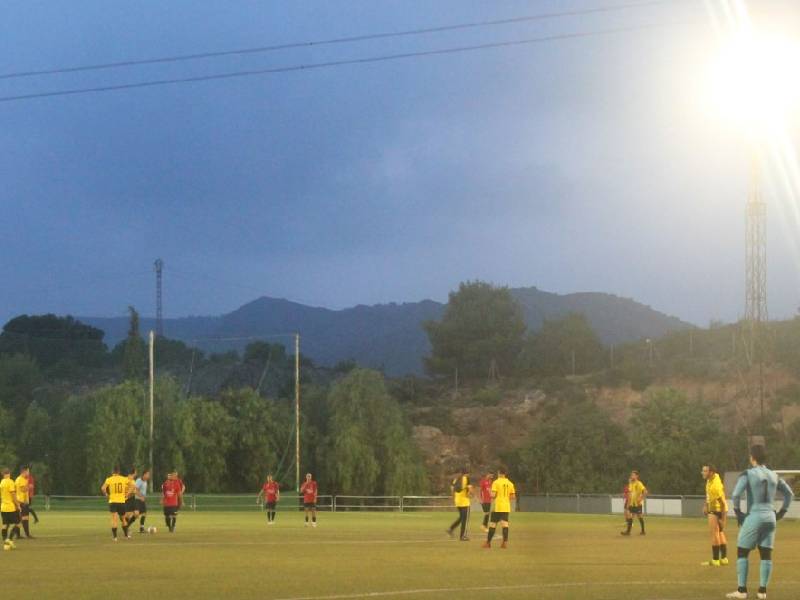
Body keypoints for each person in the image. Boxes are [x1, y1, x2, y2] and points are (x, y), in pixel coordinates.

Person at [726, 445, 794, 600]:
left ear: (752, 457)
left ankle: (742, 590)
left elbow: (736, 494)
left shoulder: (748, 473)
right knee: (766, 554)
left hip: (755, 514)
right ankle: (762, 591)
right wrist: (782, 512)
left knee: (742, 551)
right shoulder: (774, 475)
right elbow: (789, 494)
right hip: (770, 516)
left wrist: (738, 512)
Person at [701, 464, 729, 567]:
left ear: (711, 472)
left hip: (717, 510)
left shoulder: (715, 486)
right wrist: (705, 505)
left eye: (705, 471)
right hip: (716, 508)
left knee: (714, 534)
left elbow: (722, 503)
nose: (703, 473)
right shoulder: (712, 478)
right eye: (703, 470)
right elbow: (709, 496)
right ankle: (724, 559)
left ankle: (715, 560)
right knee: (720, 533)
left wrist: (723, 519)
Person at [482, 467, 516, 549]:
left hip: (498, 506)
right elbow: (513, 496)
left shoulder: (496, 482)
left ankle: (488, 543)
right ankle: (504, 543)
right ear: (505, 473)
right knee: (505, 524)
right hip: (506, 507)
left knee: (492, 524)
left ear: (499, 473)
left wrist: (490, 492)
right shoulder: (510, 483)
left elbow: (493, 496)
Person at [101, 465, 131, 541]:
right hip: (121, 501)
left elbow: (103, 488)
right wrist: (128, 494)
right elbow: (132, 486)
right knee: (123, 519)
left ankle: (115, 537)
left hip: (113, 501)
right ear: (119, 471)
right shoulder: (124, 479)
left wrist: (107, 495)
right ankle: (126, 535)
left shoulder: (109, 479)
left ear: (112, 471)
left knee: (114, 519)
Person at [446, 467, 472, 541]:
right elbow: (470, 490)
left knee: (461, 518)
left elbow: (452, 489)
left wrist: (453, 498)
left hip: (457, 502)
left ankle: (451, 529)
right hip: (465, 502)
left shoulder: (456, 479)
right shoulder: (466, 478)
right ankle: (463, 536)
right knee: (465, 519)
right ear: (466, 473)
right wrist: (470, 494)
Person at [621, 470, 647, 536]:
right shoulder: (631, 484)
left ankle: (643, 531)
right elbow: (630, 494)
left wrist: (641, 499)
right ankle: (628, 532)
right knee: (629, 516)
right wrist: (628, 503)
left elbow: (645, 492)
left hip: (637, 504)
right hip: (631, 504)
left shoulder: (639, 483)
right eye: (631, 475)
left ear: (637, 476)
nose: (631, 476)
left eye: (633, 475)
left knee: (639, 516)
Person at [1, 468, 20, 549]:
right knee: (18, 523)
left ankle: (5, 544)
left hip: (3, 507)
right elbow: (13, 494)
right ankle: (10, 539)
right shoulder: (10, 482)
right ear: (9, 474)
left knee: (5, 525)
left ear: (3, 474)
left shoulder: (1, 482)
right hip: (10, 507)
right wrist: (17, 504)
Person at [14, 466, 33, 538]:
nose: (29, 473)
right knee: (25, 518)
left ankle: (18, 535)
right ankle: (27, 534)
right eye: (28, 471)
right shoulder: (21, 479)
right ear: (24, 472)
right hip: (22, 502)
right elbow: (23, 490)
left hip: (18, 501)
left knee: (19, 519)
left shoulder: (18, 479)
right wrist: (29, 487)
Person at [123, 467, 138, 531]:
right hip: (126, 499)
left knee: (136, 513)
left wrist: (134, 492)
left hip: (132, 499)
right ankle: (125, 527)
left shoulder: (133, 481)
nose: (136, 473)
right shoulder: (124, 480)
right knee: (127, 516)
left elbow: (134, 492)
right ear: (134, 473)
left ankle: (127, 526)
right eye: (136, 472)